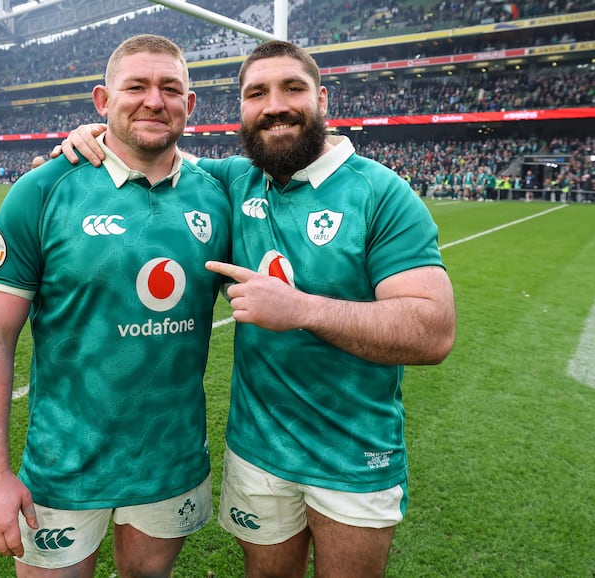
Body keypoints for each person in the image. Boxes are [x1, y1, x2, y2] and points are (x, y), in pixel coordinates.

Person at [58, 39, 456, 578]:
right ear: (241, 109)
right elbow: (152, 154)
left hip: (355, 456)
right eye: (257, 93)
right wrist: (94, 137)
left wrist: (302, 310)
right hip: (256, 451)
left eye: (293, 88)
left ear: (322, 99)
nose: (275, 105)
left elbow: (432, 332)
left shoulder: (381, 193)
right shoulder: (233, 181)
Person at [0, 34, 230, 577]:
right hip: (65, 466)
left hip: (170, 462)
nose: (154, 100)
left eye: (170, 89)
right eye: (136, 86)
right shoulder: (42, 190)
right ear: (102, 101)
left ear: (190, 105)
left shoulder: (218, 192)